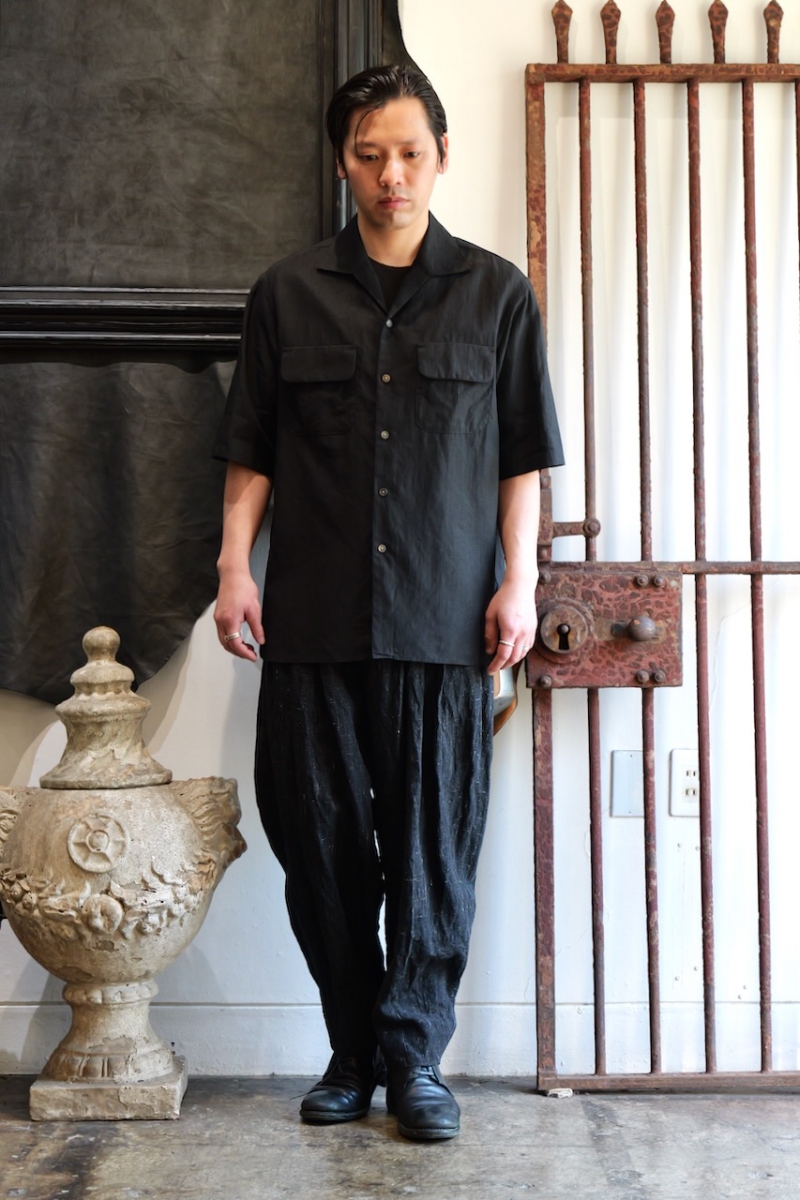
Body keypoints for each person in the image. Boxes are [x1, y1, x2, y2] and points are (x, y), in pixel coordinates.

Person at [212, 64, 563, 1141]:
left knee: (431, 853)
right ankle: (352, 1050)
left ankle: (414, 1061)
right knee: (316, 844)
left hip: (442, 618)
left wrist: (519, 581)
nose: (390, 174)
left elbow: (520, 460)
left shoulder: (496, 294)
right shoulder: (285, 294)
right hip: (311, 615)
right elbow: (251, 449)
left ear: (441, 156)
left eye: (409, 152)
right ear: (342, 163)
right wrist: (233, 567)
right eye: (369, 155)